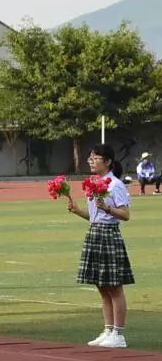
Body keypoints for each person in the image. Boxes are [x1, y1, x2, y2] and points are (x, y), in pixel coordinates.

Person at [64, 143, 133, 348]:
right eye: (90, 158)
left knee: (114, 285)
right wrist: (77, 211)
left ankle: (119, 334)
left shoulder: (115, 184)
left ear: (108, 162)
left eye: (96, 158)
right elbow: (95, 217)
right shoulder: (94, 182)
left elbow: (125, 214)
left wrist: (107, 207)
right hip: (95, 233)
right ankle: (108, 328)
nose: (91, 161)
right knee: (101, 285)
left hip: (109, 235)